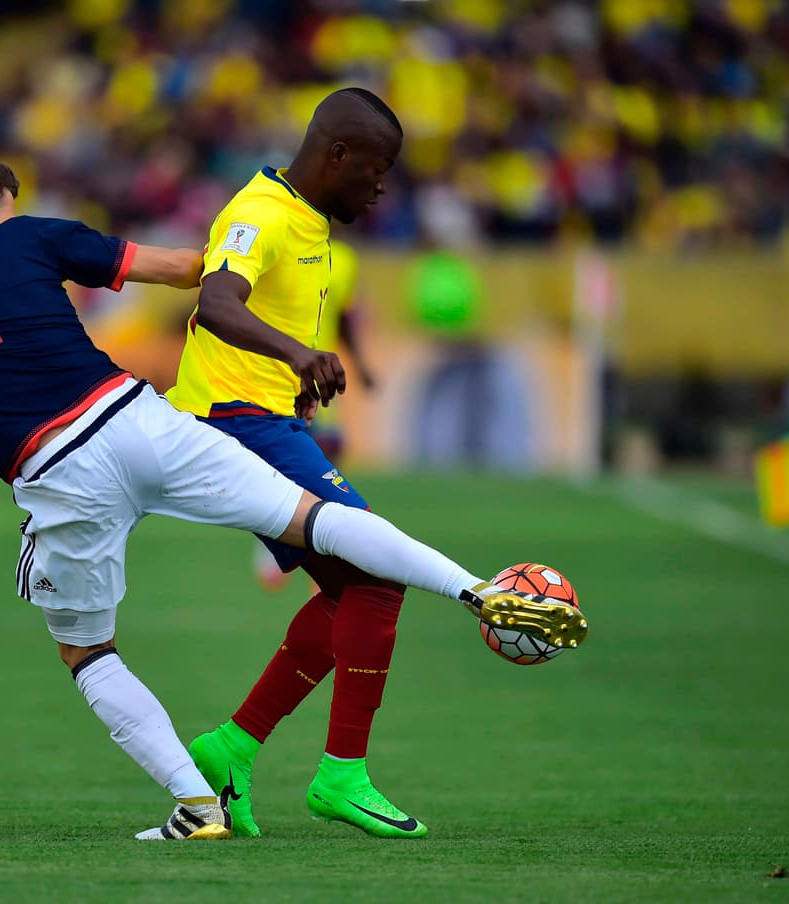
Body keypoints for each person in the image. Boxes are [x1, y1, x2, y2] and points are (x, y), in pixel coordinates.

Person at [0, 154, 586, 842]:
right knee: (319, 520)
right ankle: (477, 590)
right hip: (137, 420)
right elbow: (186, 268)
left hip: (56, 471)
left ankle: (197, 805)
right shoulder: (30, 237)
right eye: (9, 208)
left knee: (88, 653)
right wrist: (250, 251)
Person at [166, 87, 499, 839]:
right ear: (338, 154)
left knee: (355, 589)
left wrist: (294, 382)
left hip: (264, 418)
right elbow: (216, 303)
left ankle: (232, 748)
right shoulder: (260, 213)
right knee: (378, 578)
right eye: (376, 170)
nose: (381, 188)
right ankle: (340, 773)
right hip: (232, 421)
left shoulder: (309, 221)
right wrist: (298, 354)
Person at [252, 237, 372, 590]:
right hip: (280, 370)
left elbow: (343, 316)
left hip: (320, 372)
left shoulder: (345, 259)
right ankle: (278, 536)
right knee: (287, 454)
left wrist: (360, 363)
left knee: (329, 449)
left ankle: (311, 538)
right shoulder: (282, 243)